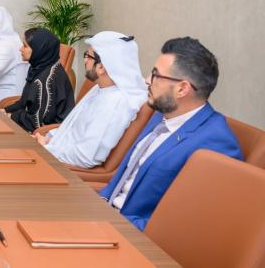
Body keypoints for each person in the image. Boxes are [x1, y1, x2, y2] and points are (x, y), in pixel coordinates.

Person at [100, 37, 242, 231]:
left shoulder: (217, 144)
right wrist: (98, 205)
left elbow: (185, 227)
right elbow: (121, 180)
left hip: (133, 236)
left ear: (182, 89)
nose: (147, 80)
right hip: (105, 216)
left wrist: (114, 223)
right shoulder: (163, 114)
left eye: (155, 75)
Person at [35, 31, 148, 169]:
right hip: (54, 151)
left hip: (62, 169)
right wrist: (48, 138)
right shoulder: (101, 88)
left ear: (102, 67)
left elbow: (85, 157)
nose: (85, 60)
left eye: (88, 56)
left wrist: (46, 150)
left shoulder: (116, 103)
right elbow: (72, 127)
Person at [6, 28, 74, 132]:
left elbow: (37, 123)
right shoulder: (38, 67)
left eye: (25, 46)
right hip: (34, 129)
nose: (20, 49)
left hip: (48, 135)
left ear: (39, 49)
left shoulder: (46, 80)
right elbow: (24, 102)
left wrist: (11, 116)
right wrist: (4, 110)